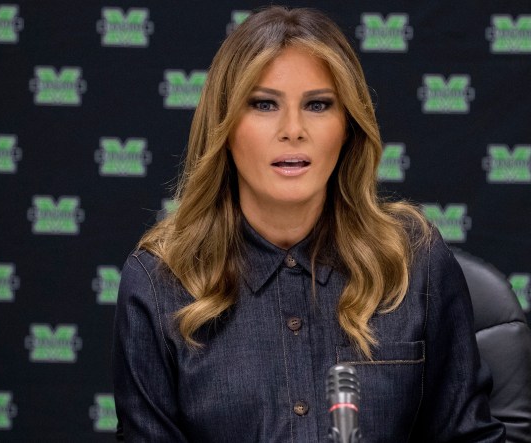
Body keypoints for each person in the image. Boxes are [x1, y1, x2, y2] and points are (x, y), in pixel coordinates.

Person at [113, 6, 505, 442]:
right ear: (224, 126)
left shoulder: (416, 263)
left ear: (348, 127)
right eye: (264, 104)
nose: (293, 129)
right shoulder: (159, 281)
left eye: (318, 105)